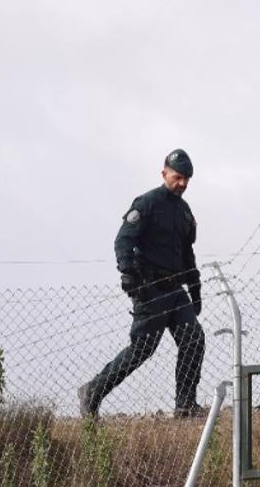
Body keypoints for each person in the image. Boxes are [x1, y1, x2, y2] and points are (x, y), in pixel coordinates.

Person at [78, 149, 206, 419]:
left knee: (193, 338)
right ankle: (93, 391)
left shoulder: (184, 212)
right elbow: (123, 240)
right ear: (164, 173)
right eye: (177, 177)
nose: (182, 183)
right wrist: (127, 273)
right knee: (142, 349)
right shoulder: (148, 203)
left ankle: (185, 405)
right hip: (150, 288)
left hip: (176, 290)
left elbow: (187, 254)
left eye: (186, 179)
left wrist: (195, 289)